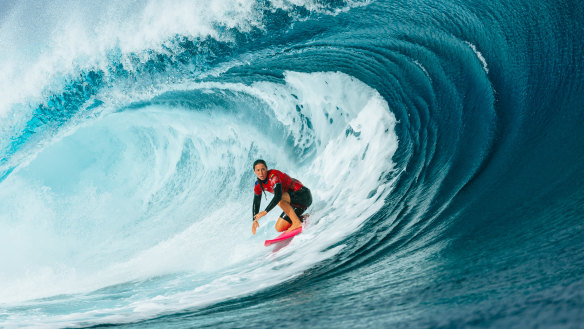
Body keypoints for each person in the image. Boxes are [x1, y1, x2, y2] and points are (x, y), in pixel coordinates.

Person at [251, 159, 312, 235]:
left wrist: (265, 211)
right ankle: (304, 218)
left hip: (303, 195)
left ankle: (296, 222)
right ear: (254, 172)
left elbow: (278, 196)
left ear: (266, 168)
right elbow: (256, 202)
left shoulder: (273, 176)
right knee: (279, 227)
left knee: (280, 200)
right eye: (258, 170)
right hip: (295, 204)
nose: (261, 173)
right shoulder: (258, 184)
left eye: (263, 169)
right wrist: (254, 220)